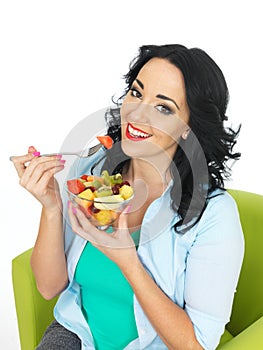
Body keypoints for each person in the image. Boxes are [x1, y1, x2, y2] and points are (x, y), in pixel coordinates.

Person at [11, 44, 244, 350]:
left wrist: (128, 263)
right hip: (76, 335)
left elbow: (195, 345)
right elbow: (49, 286)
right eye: (137, 93)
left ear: (188, 127)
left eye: (163, 108)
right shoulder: (91, 169)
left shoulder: (214, 215)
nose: (137, 112)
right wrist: (52, 207)